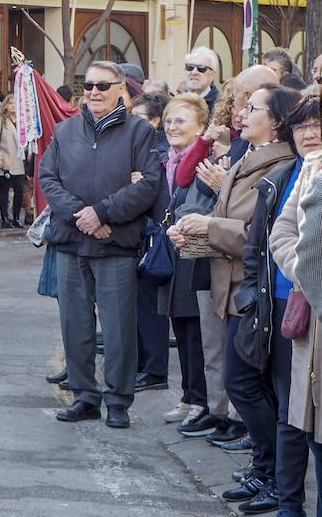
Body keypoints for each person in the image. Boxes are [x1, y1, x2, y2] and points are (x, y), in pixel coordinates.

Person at [169, 85, 300, 510]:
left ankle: (274, 476)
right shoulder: (250, 157)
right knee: (246, 383)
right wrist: (195, 227)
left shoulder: (277, 166)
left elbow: (254, 236)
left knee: (248, 385)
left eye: (253, 108)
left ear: (277, 121)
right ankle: (265, 471)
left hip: (255, 289)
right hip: (234, 286)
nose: (242, 113)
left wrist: (206, 226)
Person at [40, 60, 162, 429]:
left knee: (119, 327)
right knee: (74, 325)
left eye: (102, 86)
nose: (94, 92)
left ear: (120, 89)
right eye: (88, 85)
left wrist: (104, 213)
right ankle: (84, 396)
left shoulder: (140, 132)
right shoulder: (65, 131)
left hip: (117, 244)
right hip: (71, 241)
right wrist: (84, 215)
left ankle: (118, 400)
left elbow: (148, 185)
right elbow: (49, 178)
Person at [234, 94, 319, 516]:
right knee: (289, 413)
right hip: (283, 310)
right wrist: (251, 297)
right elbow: (262, 244)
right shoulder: (286, 176)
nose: (311, 132)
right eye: (303, 126)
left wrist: (306, 271)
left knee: (311, 423)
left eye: (318, 124)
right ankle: (288, 503)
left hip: (312, 311)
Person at [155, 94, 216, 430]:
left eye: (180, 121)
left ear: (201, 128)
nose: (172, 127)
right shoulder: (169, 161)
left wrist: (186, 222)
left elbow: (208, 206)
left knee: (197, 335)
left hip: (195, 254)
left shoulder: (205, 163)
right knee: (181, 328)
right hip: (175, 256)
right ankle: (188, 396)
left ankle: (202, 401)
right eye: (168, 121)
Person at [271, 145, 322, 517]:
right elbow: (283, 232)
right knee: (314, 438)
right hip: (313, 331)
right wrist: (303, 272)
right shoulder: (315, 164)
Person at [129, 91, 172, 393]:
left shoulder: (159, 151)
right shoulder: (138, 146)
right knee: (139, 307)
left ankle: (155, 369)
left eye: (140, 117)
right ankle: (144, 364)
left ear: (155, 121)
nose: (133, 122)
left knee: (151, 308)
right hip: (139, 234)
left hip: (154, 236)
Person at [0, 93, 28, 228]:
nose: (13, 106)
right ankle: (4, 218)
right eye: (11, 103)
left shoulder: (22, 121)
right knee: (4, 190)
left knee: (19, 190)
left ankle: (16, 217)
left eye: (16, 103)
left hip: (19, 161)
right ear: (5, 105)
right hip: (5, 159)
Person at [183, 47, 220, 115]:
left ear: (212, 75)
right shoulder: (176, 102)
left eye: (201, 68)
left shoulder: (220, 104)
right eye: (190, 67)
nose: (194, 72)